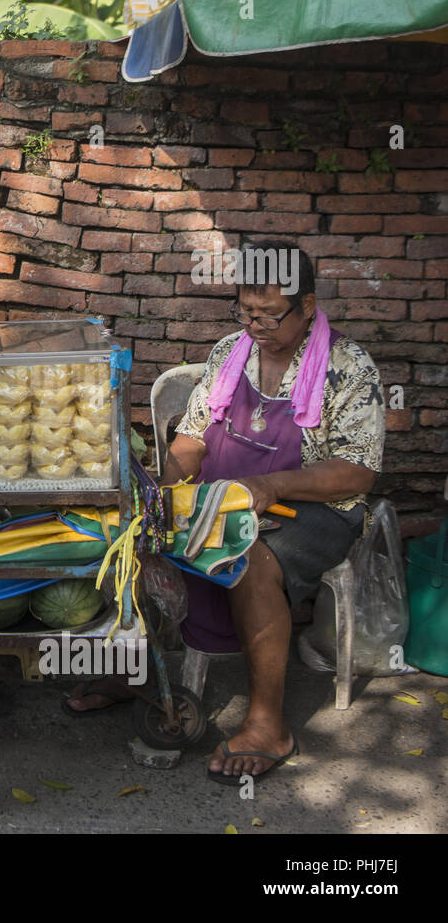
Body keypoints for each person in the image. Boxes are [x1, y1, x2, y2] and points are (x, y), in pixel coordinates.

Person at [67, 240, 385, 785]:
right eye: (246, 311)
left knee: (251, 556)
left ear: (307, 306)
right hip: (226, 496)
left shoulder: (347, 366)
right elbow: (191, 437)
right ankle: (139, 668)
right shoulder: (229, 354)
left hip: (315, 507)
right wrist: (168, 493)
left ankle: (268, 725)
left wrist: (270, 484)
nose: (256, 325)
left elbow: (358, 472)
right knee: (136, 534)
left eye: (270, 313)